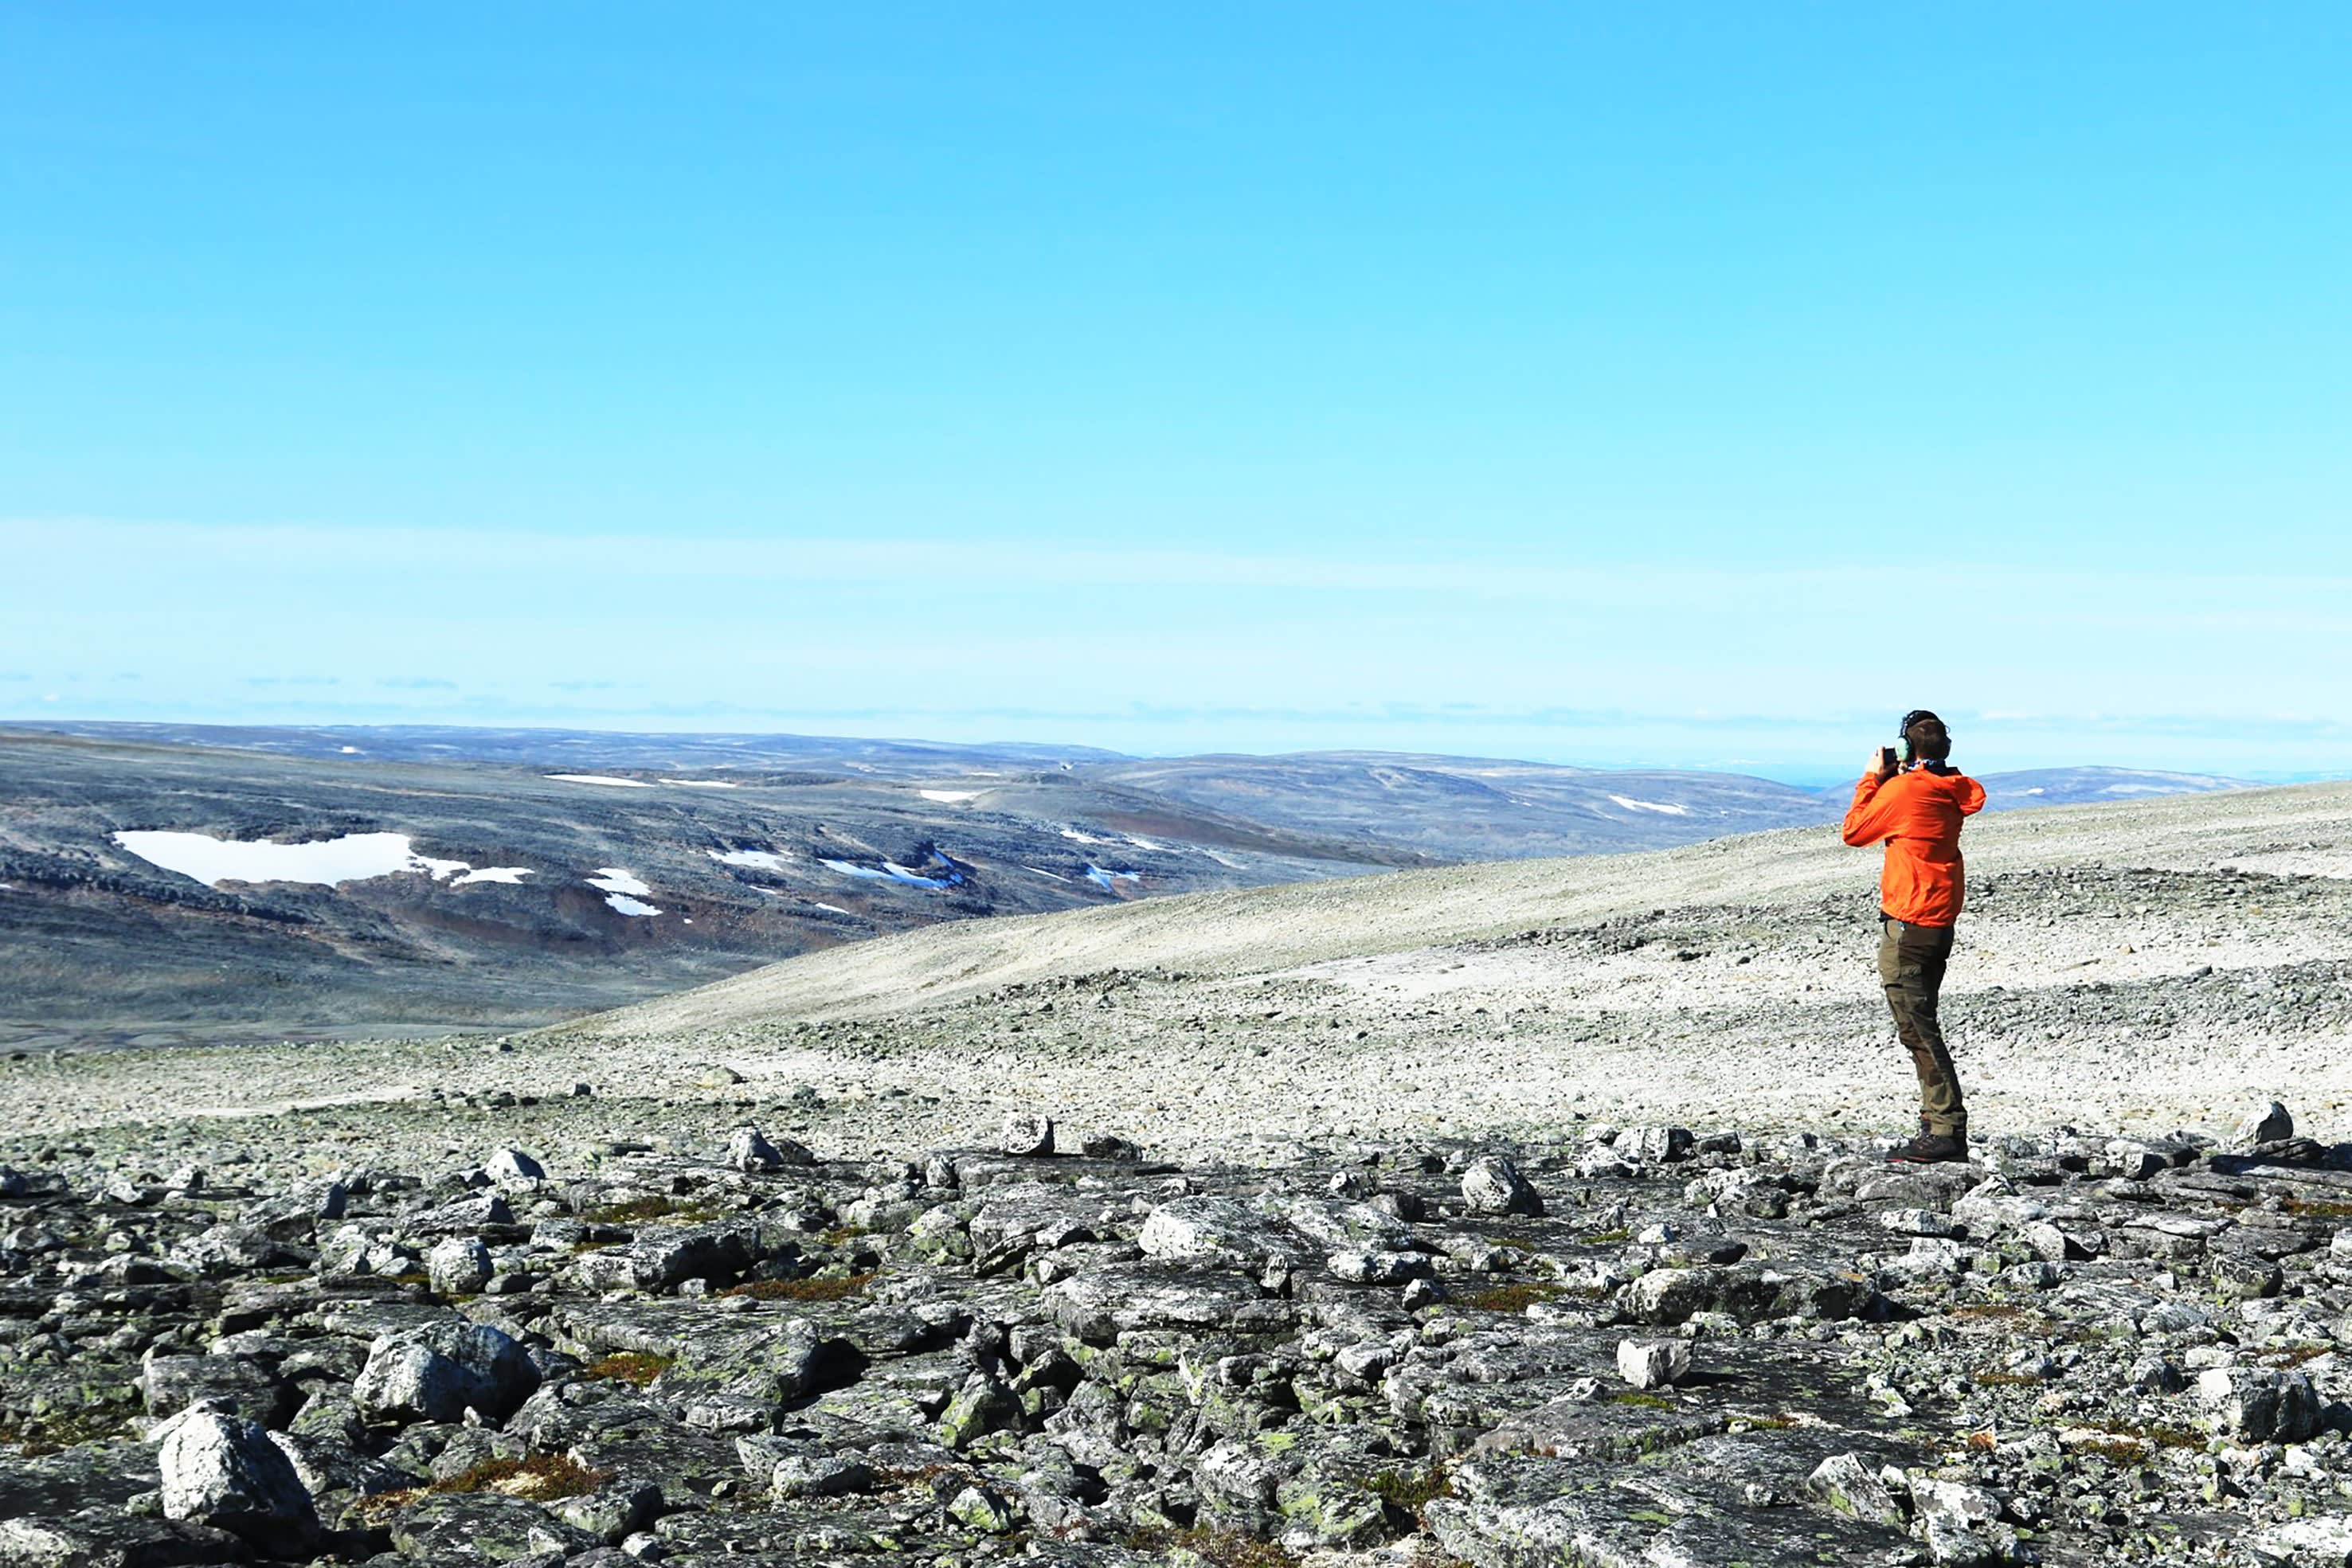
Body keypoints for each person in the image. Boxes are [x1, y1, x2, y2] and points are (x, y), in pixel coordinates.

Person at [1841, 710, 1986, 1163]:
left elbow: (1854, 832)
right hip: (1936, 922)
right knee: (1921, 1023)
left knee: (1918, 1029)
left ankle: (1946, 1129)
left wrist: (1872, 778)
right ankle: (1934, 1120)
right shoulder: (1950, 788)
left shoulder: (1906, 791)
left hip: (1909, 923)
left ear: (1906, 748)